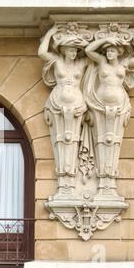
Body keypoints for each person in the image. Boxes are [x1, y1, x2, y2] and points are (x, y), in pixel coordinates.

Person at [84, 32, 134, 196]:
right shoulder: (102, 61)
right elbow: (89, 51)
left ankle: (109, 179)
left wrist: (133, 38)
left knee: (113, 140)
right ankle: (102, 178)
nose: (109, 53)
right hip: (99, 105)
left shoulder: (124, 63)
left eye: (112, 50)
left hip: (119, 105)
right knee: (101, 139)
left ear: (119, 52)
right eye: (108, 50)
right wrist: (106, 40)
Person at [39, 25, 89, 195]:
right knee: (60, 139)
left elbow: (94, 53)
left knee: (72, 139)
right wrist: (51, 33)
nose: (73, 53)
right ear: (64, 50)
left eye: (76, 50)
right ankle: (63, 176)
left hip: (76, 103)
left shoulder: (82, 63)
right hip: (57, 103)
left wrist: (82, 38)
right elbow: (42, 53)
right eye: (70, 50)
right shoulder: (57, 61)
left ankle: (71, 175)